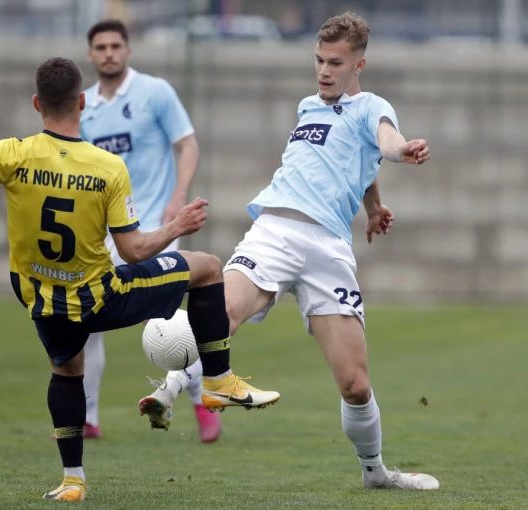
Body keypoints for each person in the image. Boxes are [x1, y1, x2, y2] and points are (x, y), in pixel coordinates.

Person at [0, 57, 280, 501]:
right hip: (102, 297)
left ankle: (73, 481)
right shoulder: (107, 167)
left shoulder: (12, 154)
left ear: (36, 104)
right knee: (207, 266)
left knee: (67, 371)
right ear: (81, 102)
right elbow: (134, 251)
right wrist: (176, 227)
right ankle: (217, 380)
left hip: (43, 301)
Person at [138, 12, 440, 490]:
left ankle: (375, 473)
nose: (324, 71)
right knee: (223, 314)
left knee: (355, 385)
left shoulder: (371, 107)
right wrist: (373, 205)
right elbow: (341, 158)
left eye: (335, 63)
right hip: (273, 232)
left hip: (327, 249)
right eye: (319, 60)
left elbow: (383, 143)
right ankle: (170, 390)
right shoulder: (307, 107)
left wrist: (401, 153)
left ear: (359, 64)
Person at [78, 19, 222, 443]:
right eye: (101, 47)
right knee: (86, 321)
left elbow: (188, 144)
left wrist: (177, 198)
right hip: (102, 234)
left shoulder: (155, 92)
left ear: (127, 50)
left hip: (155, 227)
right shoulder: (84, 106)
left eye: (115, 45)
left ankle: (201, 403)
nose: (108, 53)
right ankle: (88, 418)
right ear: (90, 54)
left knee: (169, 324)